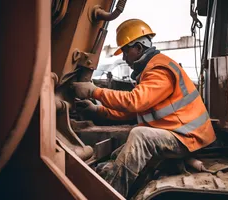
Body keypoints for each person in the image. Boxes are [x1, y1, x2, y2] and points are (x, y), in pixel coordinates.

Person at [71, 19, 216, 197]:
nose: (124, 57)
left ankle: (108, 195)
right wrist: (97, 110)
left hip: (187, 137)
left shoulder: (160, 69)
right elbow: (136, 110)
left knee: (139, 136)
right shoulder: (149, 70)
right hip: (178, 133)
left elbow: (134, 102)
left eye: (125, 50)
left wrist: (96, 92)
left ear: (139, 48)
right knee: (119, 154)